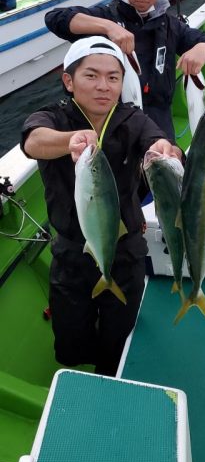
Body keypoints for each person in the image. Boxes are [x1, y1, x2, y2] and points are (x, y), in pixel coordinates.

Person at [21, 36, 182, 376]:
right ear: (69, 80)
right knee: (71, 336)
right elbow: (33, 141)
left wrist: (165, 151)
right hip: (70, 252)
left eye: (113, 77)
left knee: (119, 334)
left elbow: (159, 140)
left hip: (125, 249)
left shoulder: (132, 119)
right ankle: (79, 375)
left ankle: (111, 373)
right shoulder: (55, 116)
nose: (103, 86)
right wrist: (69, 141)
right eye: (91, 76)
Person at [45, 0, 205, 140]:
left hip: (160, 135)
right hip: (114, 136)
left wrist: (204, 48)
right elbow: (55, 18)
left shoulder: (171, 26)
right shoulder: (104, 17)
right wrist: (108, 28)